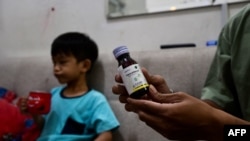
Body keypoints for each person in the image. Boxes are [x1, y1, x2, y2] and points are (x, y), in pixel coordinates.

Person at [112, 4, 250, 141]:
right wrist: (170, 104)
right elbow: (218, 105)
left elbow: (216, 123)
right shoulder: (238, 25)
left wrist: (217, 127)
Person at [19, 32, 120, 141]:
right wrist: (34, 113)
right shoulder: (53, 94)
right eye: (54, 63)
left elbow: (106, 134)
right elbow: (44, 127)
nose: (56, 68)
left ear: (85, 65)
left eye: (62, 62)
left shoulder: (95, 100)